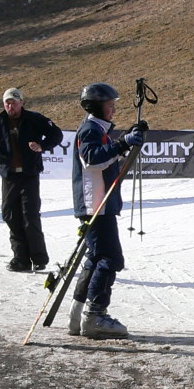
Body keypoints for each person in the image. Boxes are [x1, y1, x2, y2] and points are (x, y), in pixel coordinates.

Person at [67, 82, 145, 339]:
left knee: (96, 257)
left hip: (99, 203)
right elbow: (92, 159)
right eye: (110, 105)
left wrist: (126, 141)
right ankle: (95, 316)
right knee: (111, 258)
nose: (114, 110)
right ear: (97, 107)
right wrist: (122, 144)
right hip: (96, 204)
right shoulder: (90, 129)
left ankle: (78, 314)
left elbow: (107, 159)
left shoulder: (97, 129)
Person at [0, 87, 64, 271]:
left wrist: (42, 146)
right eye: (7, 103)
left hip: (29, 175)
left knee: (30, 215)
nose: (10, 106)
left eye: (14, 103)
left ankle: (39, 258)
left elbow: (56, 134)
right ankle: (20, 258)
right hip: (10, 176)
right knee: (10, 215)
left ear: (22, 102)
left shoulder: (34, 119)